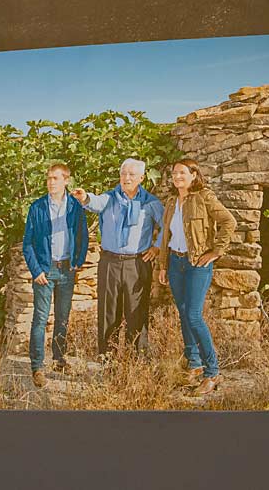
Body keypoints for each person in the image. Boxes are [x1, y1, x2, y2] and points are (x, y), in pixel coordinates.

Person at [70, 158, 164, 358]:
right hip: (110, 262)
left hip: (137, 264)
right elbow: (95, 203)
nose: (126, 178)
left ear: (141, 178)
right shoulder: (110, 198)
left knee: (136, 313)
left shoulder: (150, 202)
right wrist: (85, 197)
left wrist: (157, 248)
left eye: (131, 174)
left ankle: (136, 362)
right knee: (108, 312)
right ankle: (108, 359)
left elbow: (167, 226)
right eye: (123, 174)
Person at [158, 159, 236, 395]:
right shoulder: (172, 201)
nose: (177, 176)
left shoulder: (204, 197)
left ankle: (212, 372)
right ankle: (194, 363)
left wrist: (215, 252)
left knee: (193, 315)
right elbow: (166, 236)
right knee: (183, 312)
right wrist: (163, 265)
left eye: (182, 172)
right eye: (174, 173)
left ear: (194, 175)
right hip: (175, 262)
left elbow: (228, 222)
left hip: (196, 263)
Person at [22, 163, 89, 388]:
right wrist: (36, 270)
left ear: (66, 181)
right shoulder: (37, 207)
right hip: (45, 269)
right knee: (40, 319)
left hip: (66, 269)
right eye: (49, 178)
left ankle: (59, 360)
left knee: (62, 317)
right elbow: (27, 243)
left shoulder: (75, 207)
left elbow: (83, 236)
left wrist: (78, 262)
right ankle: (37, 367)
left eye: (55, 178)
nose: (51, 182)